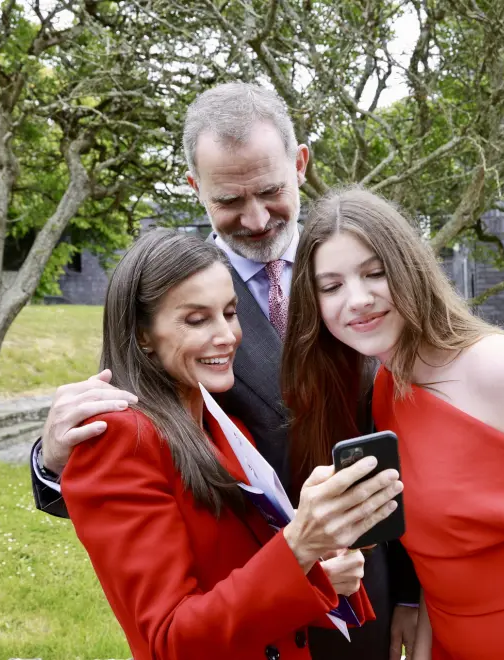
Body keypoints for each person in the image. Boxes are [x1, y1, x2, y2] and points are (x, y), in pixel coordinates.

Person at [30, 82, 421, 660]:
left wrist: (413, 590)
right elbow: (134, 455)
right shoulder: (168, 289)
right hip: (244, 607)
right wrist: (52, 463)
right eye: (230, 200)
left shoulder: (357, 269)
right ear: (195, 188)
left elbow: (409, 428)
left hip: (368, 587)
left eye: (270, 190)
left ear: (300, 164)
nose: (257, 218)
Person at [281, 187, 504, 660]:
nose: (358, 299)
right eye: (331, 287)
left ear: (409, 267)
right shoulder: (387, 386)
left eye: (375, 273)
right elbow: (441, 559)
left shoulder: (497, 368)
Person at [62, 228, 402, 659]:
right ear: (143, 334)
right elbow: (169, 639)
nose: (227, 335)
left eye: (230, 312)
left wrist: (314, 566)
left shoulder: (221, 419)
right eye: (197, 320)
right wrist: (299, 546)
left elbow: (239, 571)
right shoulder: (119, 440)